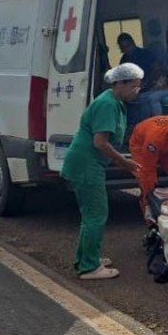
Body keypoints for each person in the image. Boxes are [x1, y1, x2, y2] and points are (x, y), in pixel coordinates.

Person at [61, 63, 143, 280]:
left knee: (91, 214)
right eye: (134, 86)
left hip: (88, 163)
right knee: (96, 214)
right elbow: (100, 143)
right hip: (87, 164)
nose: (137, 91)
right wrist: (123, 163)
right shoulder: (108, 104)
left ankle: (87, 257)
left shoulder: (114, 101)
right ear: (120, 84)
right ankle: (89, 267)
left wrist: (123, 159)